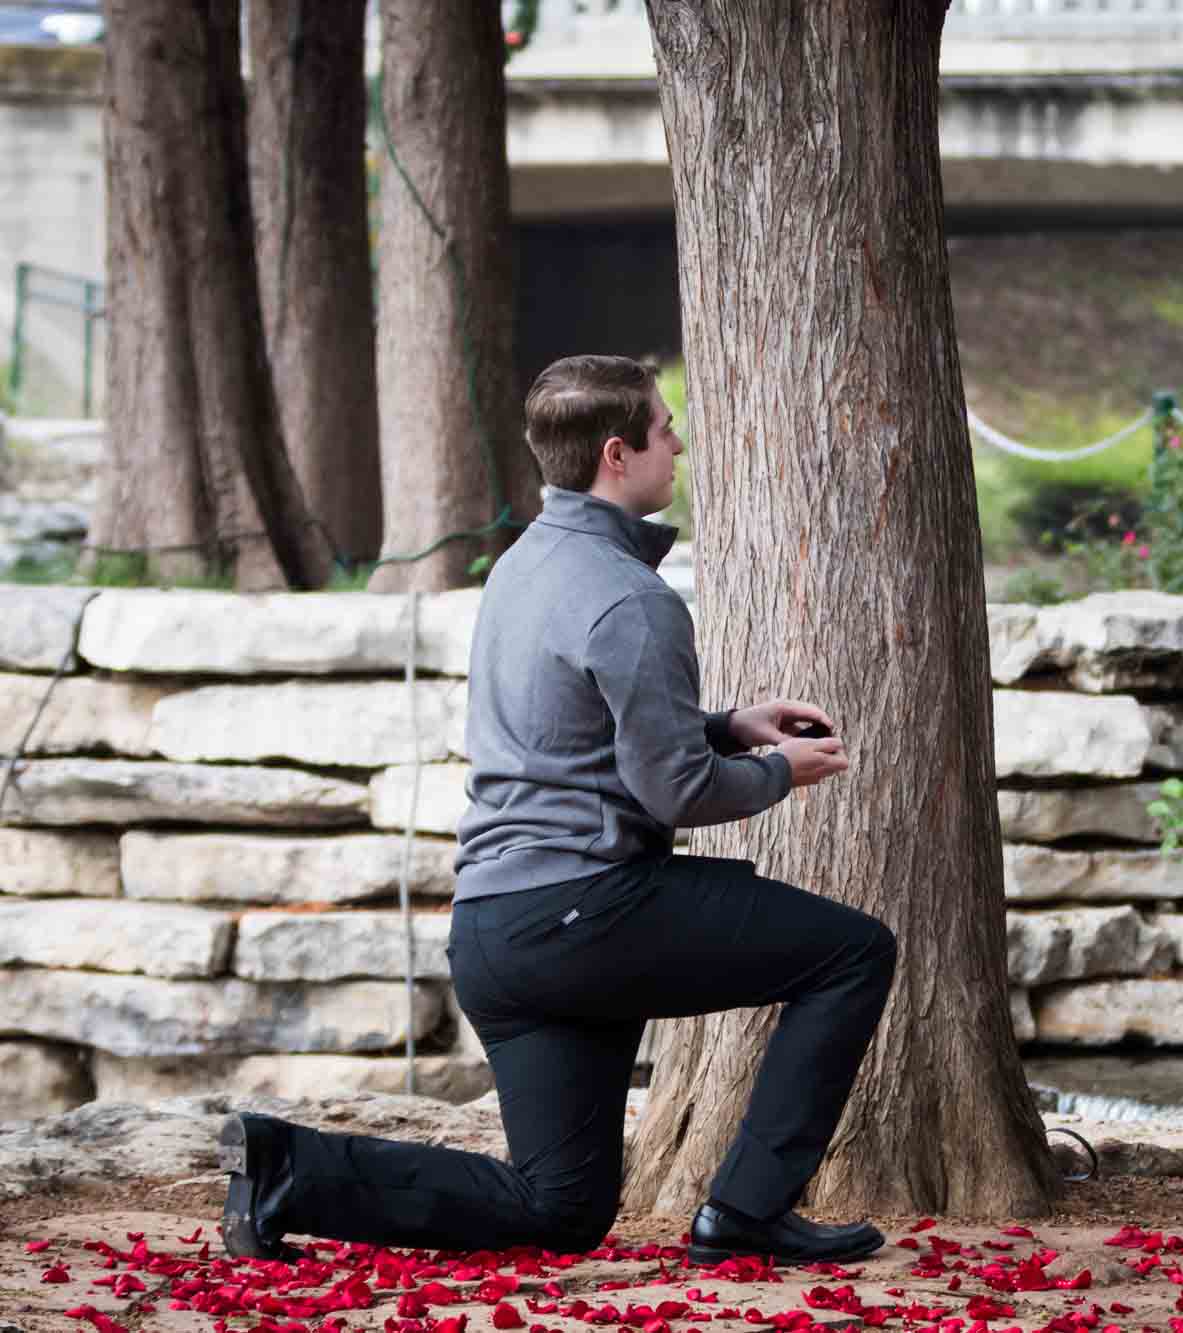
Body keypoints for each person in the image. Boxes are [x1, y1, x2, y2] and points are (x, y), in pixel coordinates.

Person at [218, 353, 896, 1266]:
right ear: (617, 455)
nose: (679, 441)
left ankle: (283, 1167)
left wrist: (729, 724)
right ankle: (747, 1209)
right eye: (665, 428)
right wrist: (782, 771)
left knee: (559, 1206)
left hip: (499, 932)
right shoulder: (632, 599)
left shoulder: (523, 567)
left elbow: (575, 732)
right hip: (590, 915)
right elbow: (676, 790)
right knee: (854, 951)